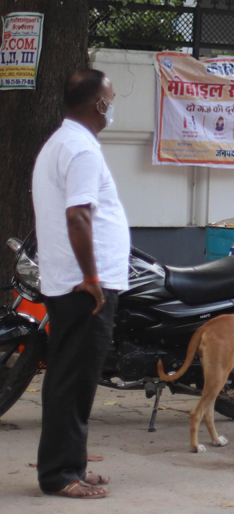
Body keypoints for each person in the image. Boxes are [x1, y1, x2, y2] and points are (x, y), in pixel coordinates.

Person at [31, 69, 130, 498]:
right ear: (99, 104)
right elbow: (78, 215)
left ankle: (70, 464)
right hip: (84, 286)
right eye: (110, 97)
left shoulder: (62, 142)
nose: (112, 104)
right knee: (74, 381)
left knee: (69, 378)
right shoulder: (81, 149)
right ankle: (62, 475)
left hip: (67, 281)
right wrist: (92, 277)